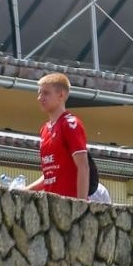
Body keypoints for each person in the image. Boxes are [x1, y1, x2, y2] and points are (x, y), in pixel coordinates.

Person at [34, 72, 89, 200]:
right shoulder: (44, 129)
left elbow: (83, 167)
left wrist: (80, 204)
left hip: (69, 204)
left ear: (61, 95)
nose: (40, 98)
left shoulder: (70, 124)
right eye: (39, 93)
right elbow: (49, 174)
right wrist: (24, 190)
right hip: (50, 204)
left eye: (46, 93)